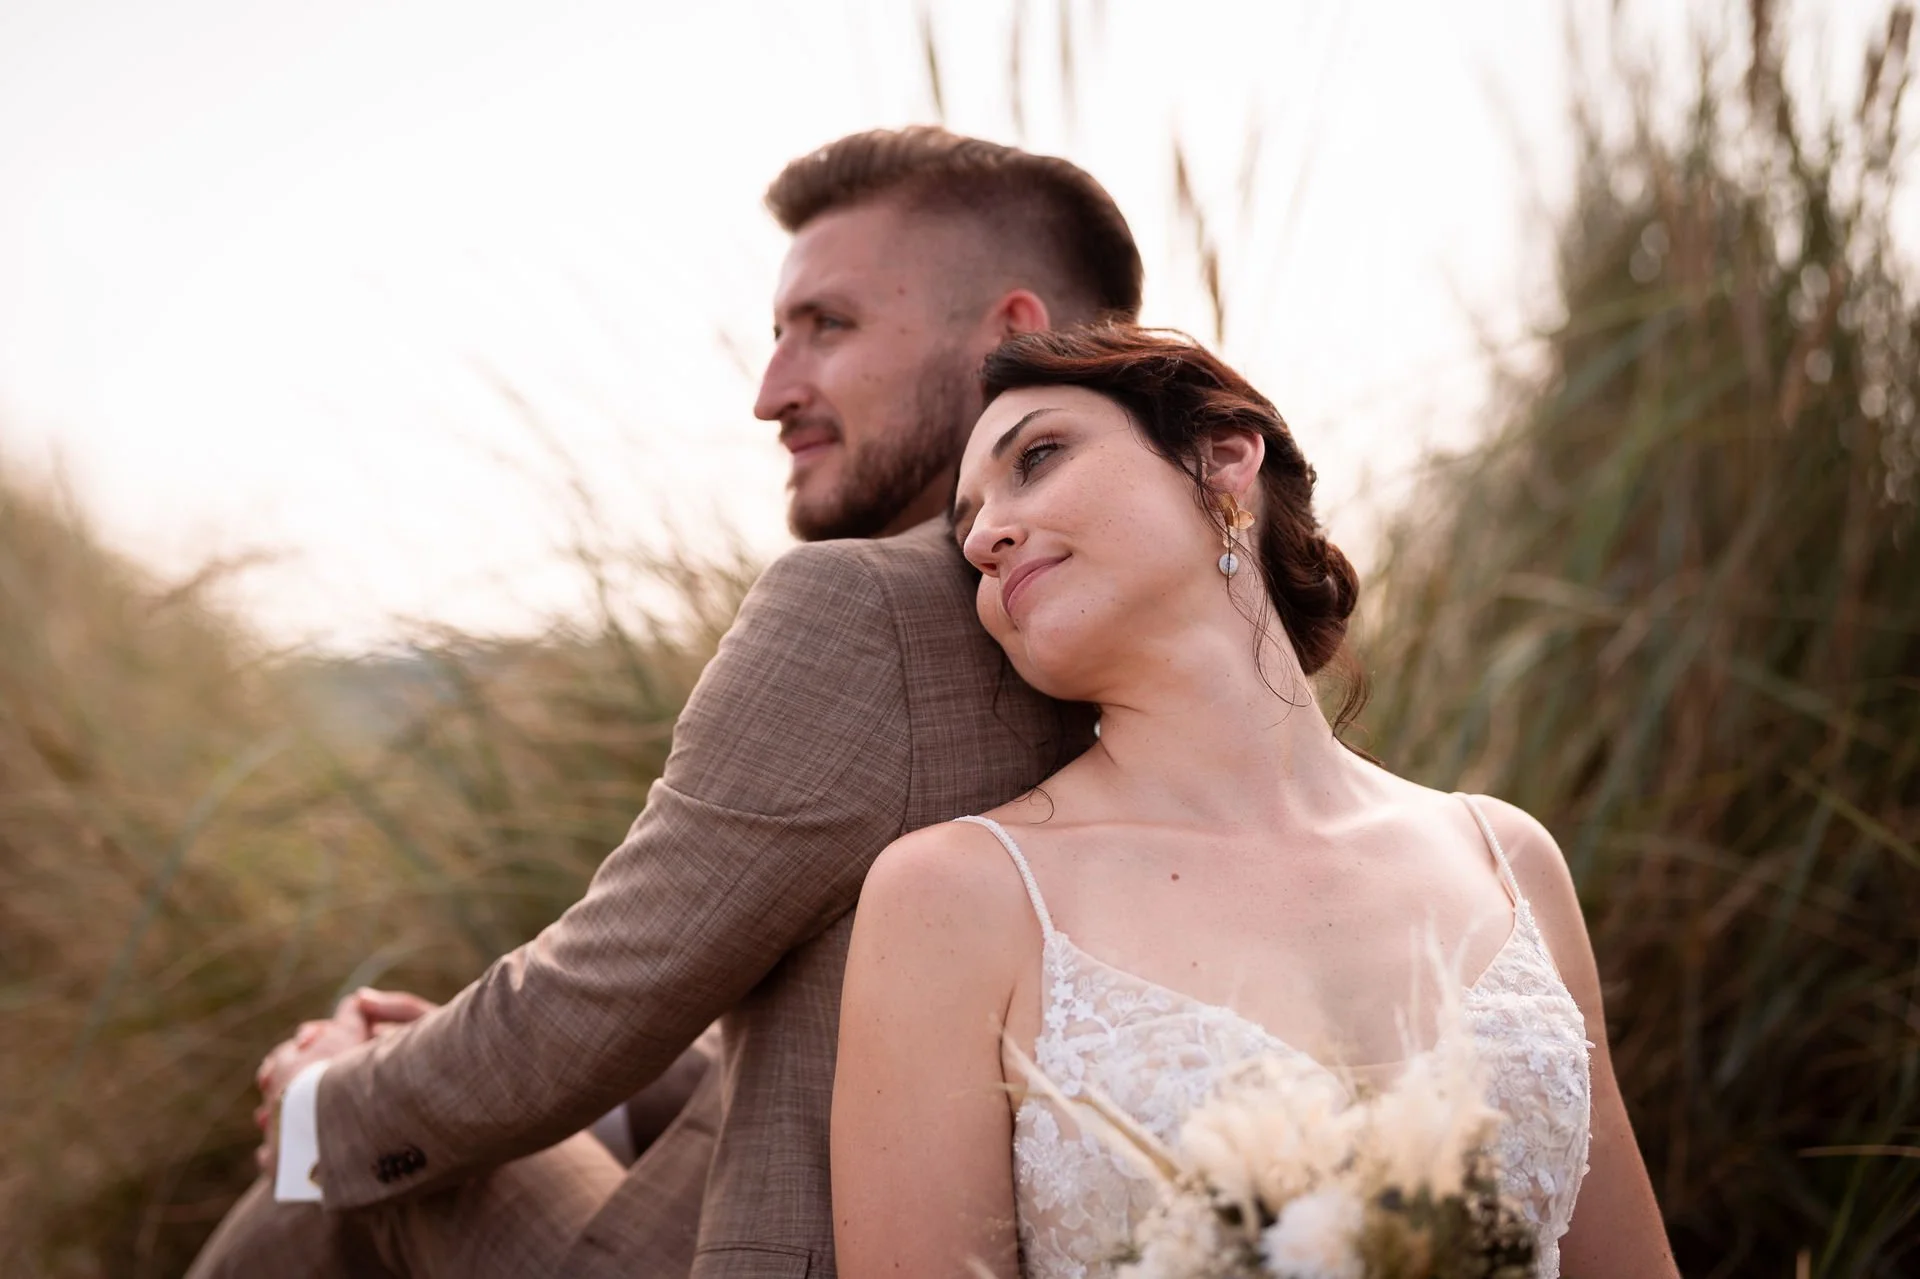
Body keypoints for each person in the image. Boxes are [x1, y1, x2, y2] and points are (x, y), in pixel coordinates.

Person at [187, 126, 1142, 1279]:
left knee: (329, 1181)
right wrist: (528, 1079)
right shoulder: (1160, 634)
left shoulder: (864, 611)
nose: (769, 393)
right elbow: (854, 1044)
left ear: (1010, 338)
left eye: (826, 328)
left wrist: (327, 1102)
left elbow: (585, 1009)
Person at [830, 325, 1679, 1278]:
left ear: (1224, 459)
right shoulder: (958, 895)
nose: (985, 538)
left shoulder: (1505, 857)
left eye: (1038, 456)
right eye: (967, 530)